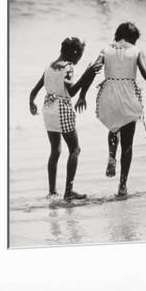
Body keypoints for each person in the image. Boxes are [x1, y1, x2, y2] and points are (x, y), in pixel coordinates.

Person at [80, 22, 146, 197]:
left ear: (118, 34)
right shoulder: (137, 51)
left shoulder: (105, 49)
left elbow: (93, 70)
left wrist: (82, 95)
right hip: (128, 94)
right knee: (128, 142)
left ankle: (111, 156)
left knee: (113, 127)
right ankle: (122, 184)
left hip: (109, 93)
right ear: (133, 38)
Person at [29, 37, 102, 202]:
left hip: (47, 109)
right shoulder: (67, 68)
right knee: (75, 149)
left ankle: (52, 191)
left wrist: (31, 102)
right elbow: (72, 92)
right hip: (61, 109)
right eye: (80, 55)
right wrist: (88, 72)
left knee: (55, 151)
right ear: (75, 53)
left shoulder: (49, 66)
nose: (79, 59)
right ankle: (69, 191)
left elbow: (34, 90)